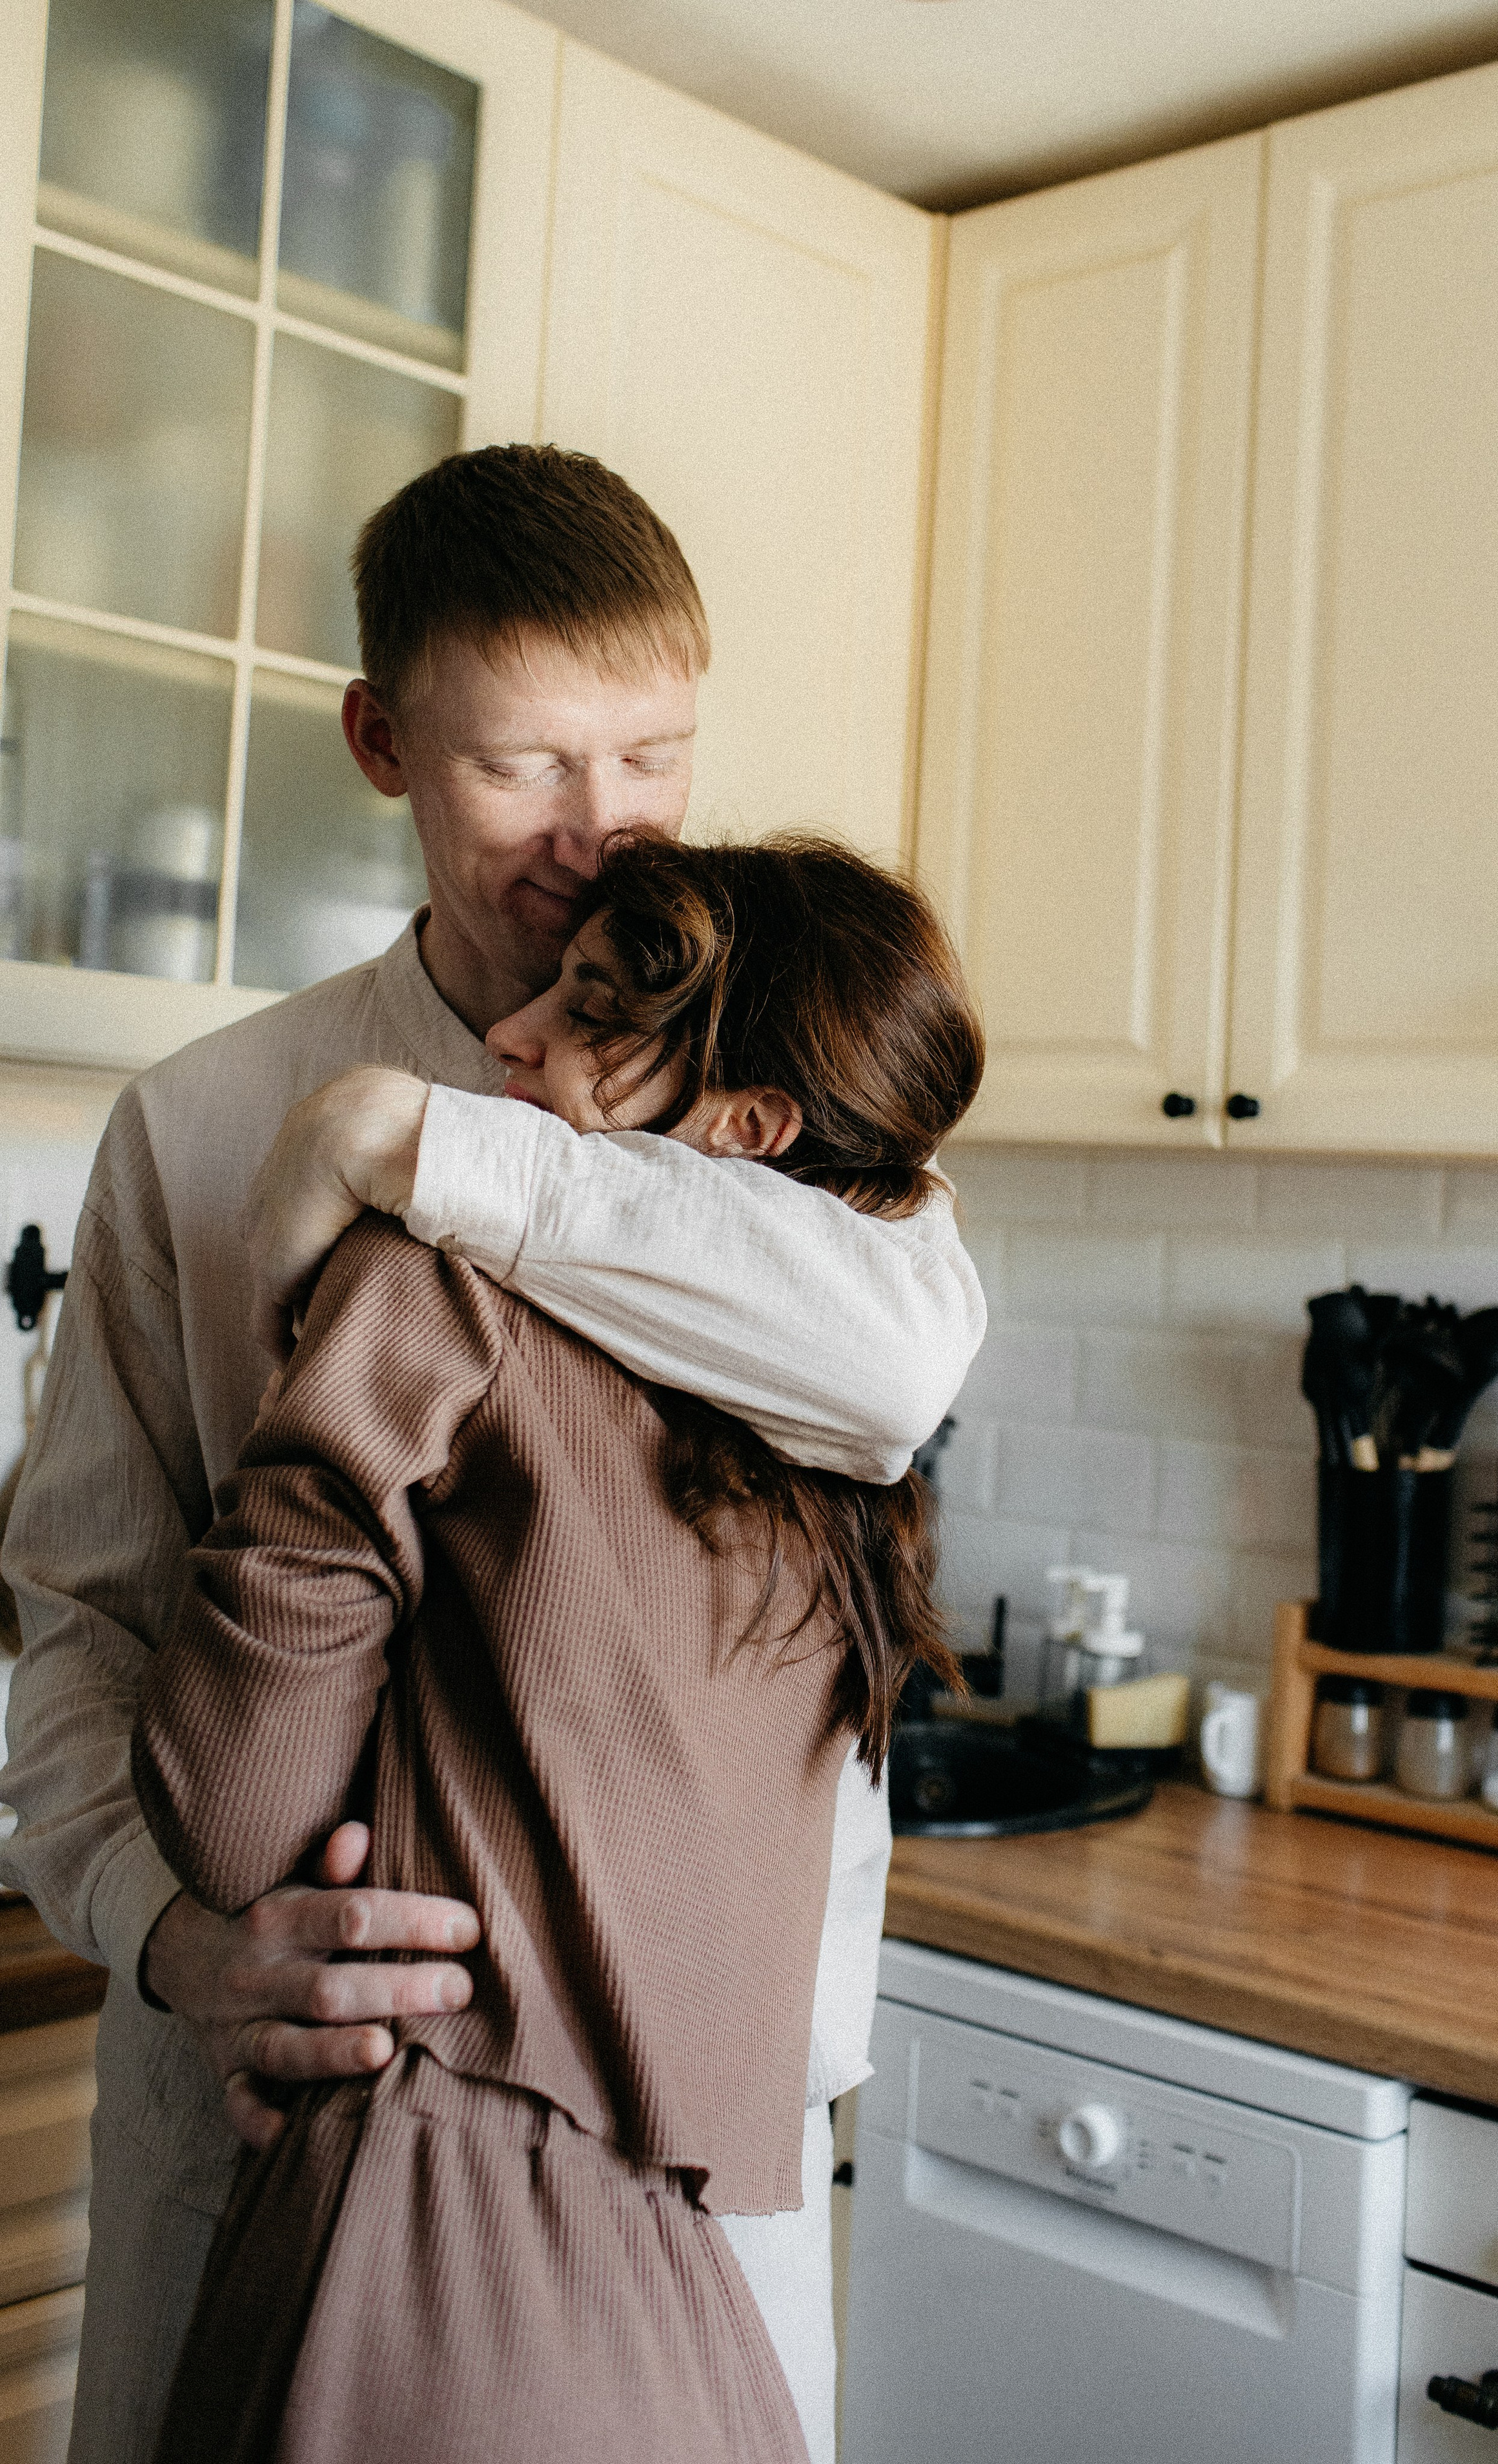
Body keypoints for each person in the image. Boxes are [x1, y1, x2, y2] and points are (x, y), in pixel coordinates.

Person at [0, 444, 986, 2464]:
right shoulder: (194, 1131)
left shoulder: (790, 1094)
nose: (598, 832)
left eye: (650, 758)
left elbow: (896, 1368)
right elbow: (73, 1636)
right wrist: (185, 1940)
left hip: (697, 2158)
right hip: (261, 2100)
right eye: (522, 766)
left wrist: (423, 1151)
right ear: (382, 741)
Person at [133, 833, 982, 2464]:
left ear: (743, 1127)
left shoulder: (436, 1291)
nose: (510, 1038)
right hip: (696, 2267)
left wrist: (300, 1394)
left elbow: (230, 1818)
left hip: (433, 2229)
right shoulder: (836, 1424)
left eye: (590, 1009)